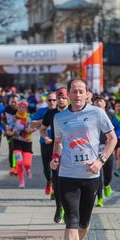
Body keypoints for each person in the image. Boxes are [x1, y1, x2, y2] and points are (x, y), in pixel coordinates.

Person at [50, 79, 116, 240]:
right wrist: (55, 157)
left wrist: (101, 161)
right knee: (71, 220)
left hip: (90, 175)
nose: (77, 95)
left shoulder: (97, 113)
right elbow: (58, 142)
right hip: (67, 175)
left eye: (81, 91)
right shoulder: (59, 117)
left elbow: (112, 139)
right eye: (74, 91)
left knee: (84, 223)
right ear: (68, 94)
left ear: (87, 94)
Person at [41, 87, 69, 222]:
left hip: (71, 151)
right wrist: (45, 137)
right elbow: (43, 129)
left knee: (69, 181)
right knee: (57, 181)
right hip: (55, 150)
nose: (61, 100)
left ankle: (69, 209)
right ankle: (59, 208)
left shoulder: (73, 112)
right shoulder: (51, 114)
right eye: (59, 98)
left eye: (64, 98)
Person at [92, 94, 120, 207]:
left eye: (101, 101)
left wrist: (114, 140)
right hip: (95, 149)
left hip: (108, 148)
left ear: (105, 103)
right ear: (93, 103)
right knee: (97, 174)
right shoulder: (90, 115)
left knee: (108, 173)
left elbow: (118, 129)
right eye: (97, 101)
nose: (99, 103)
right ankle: (100, 198)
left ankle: (107, 184)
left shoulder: (110, 115)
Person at [5, 100, 35, 188]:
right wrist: (10, 132)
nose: (21, 109)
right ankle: (21, 182)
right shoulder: (14, 118)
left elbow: (34, 128)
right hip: (16, 142)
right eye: (20, 107)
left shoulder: (29, 118)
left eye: (23, 107)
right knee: (19, 163)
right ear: (17, 108)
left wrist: (30, 130)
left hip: (27, 142)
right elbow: (8, 130)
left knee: (27, 164)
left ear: (26, 109)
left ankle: (28, 170)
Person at [33, 91, 57, 195]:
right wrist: (44, 121)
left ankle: (56, 188)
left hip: (58, 143)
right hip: (45, 142)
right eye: (49, 100)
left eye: (54, 100)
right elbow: (32, 123)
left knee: (57, 165)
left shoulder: (61, 111)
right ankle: (49, 181)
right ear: (46, 101)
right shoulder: (42, 111)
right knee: (46, 166)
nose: (52, 102)